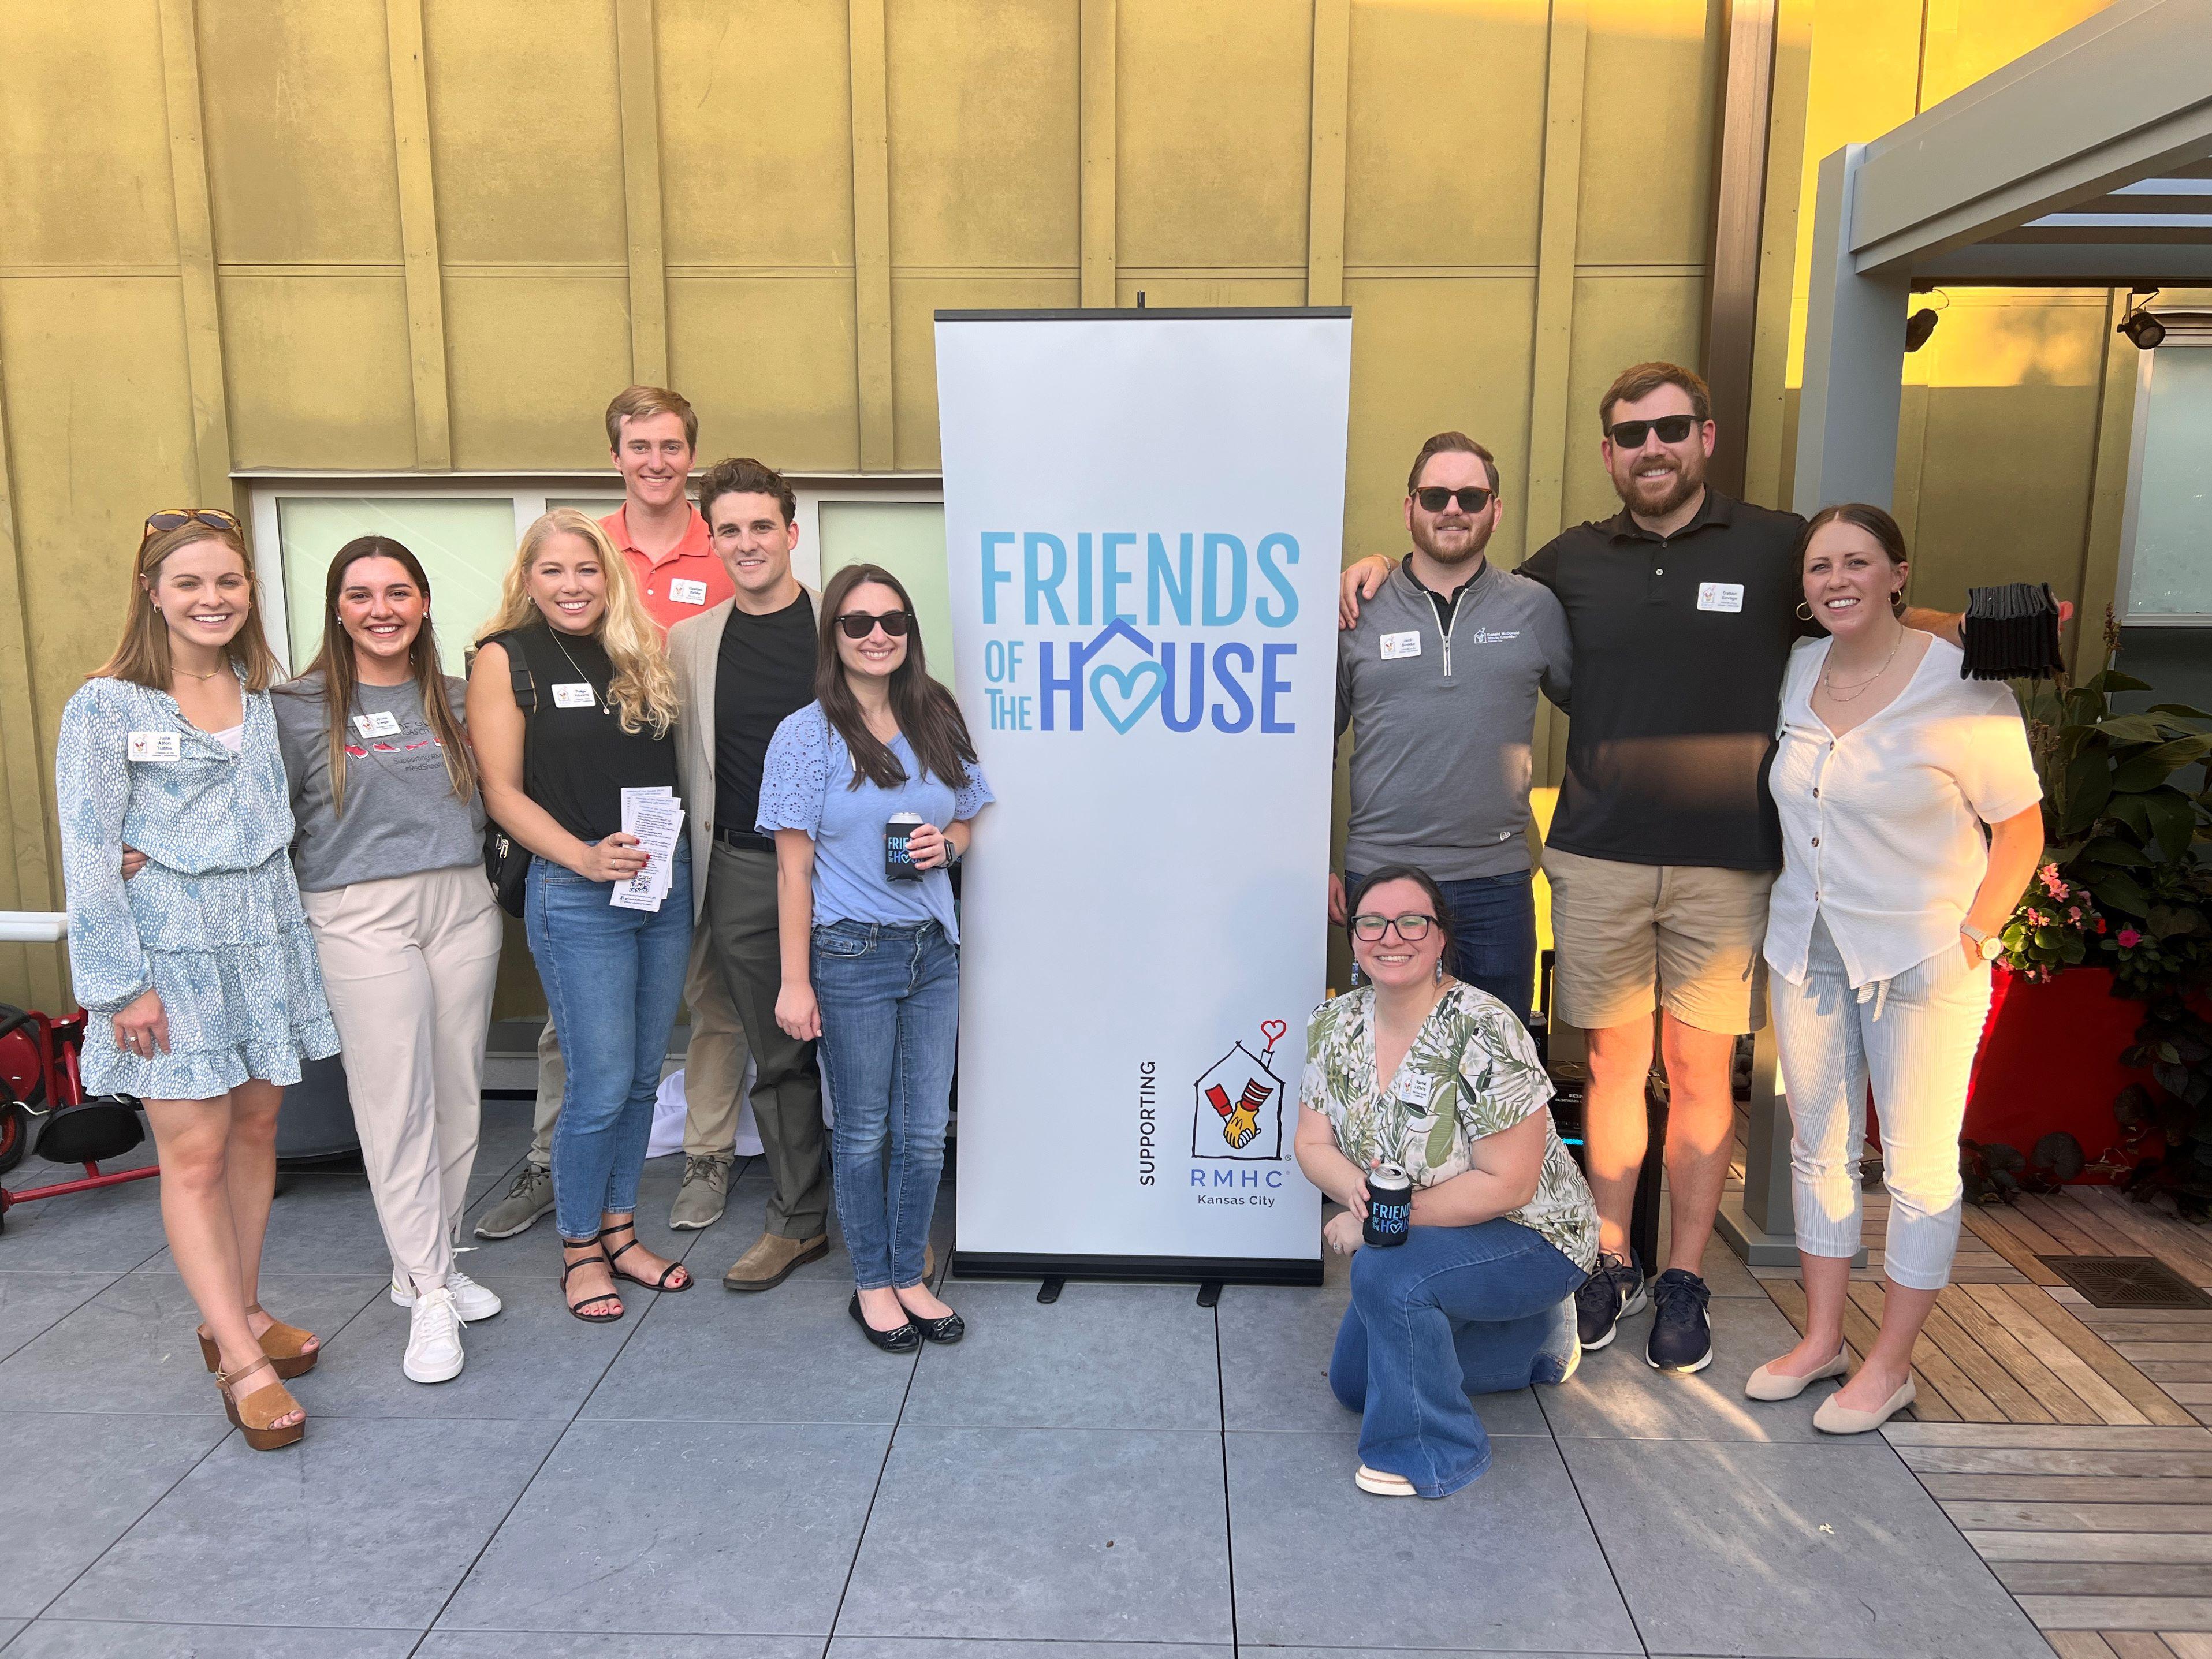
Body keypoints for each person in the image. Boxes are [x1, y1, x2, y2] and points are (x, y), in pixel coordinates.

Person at [1340, 361, 1960, 1375]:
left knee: (1703, 1070)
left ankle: (1684, 1274)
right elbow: (1445, 574)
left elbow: (1859, 603)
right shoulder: (1567, 566)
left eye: (1672, 428)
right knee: (1613, 1068)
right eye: (1632, 434)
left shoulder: (1774, 544)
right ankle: (1608, 1256)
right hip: (1602, 850)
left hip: (1725, 859)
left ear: (1706, 436)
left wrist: (1965, 632)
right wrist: (1366, 565)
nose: (1653, 447)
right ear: (1608, 453)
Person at [1747, 504, 2042, 1433]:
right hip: (1807, 949)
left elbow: (2021, 828)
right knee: (1817, 1149)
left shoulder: (1961, 683)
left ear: (1898, 574)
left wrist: (1974, 936)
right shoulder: (1797, 672)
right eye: (1820, 566)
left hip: (1921, 959)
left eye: (1857, 563)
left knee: (1915, 1168)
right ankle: (1823, 1338)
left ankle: (1893, 1363)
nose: (1836, 579)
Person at [57, 508, 340, 1449]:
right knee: (195, 1154)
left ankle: (242, 1311)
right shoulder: (107, 706)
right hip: (167, 961)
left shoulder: (260, 701)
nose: (212, 599)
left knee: (259, 1128)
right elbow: (92, 853)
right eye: (190, 583)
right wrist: (117, 983)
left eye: (228, 581)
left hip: (259, 941)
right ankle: (242, 1362)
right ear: (153, 593)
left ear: (249, 593)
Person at [475, 384, 749, 1241]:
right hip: (591, 861)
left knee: (690, 1026)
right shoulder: (562, 584)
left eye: (672, 446)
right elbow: (505, 778)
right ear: (616, 455)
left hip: (684, 847)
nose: (657, 461)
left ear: (690, 455)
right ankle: (561, 1182)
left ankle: (682, 1174)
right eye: (641, 446)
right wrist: (582, 854)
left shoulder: (718, 562)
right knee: (586, 1046)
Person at [273, 537, 506, 1382]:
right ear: (337, 607)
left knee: (456, 1097)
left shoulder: (454, 696)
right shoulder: (292, 706)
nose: (382, 609)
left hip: (460, 903)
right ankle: (430, 1293)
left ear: (423, 603)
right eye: (362, 594)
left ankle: (428, 1264)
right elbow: (251, 809)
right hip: (357, 913)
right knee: (394, 1104)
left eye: (398, 592)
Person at [1298, 867, 1597, 1498]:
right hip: (1435, 1234)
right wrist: (1357, 1190)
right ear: (1352, 938)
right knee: (1354, 1384)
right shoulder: (1332, 1022)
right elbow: (1311, 1143)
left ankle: (1434, 1450)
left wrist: (1380, 1221)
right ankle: (1534, 1339)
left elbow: (1510, 1185)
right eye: (1371, 922)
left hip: (1531, 1235)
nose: (1391, 936)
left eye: (1413, 921)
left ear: (1439, 938)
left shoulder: (1484, 1027)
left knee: (1385, 1275)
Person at [467, 509, 694, 1319]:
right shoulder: (507, 657)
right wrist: (582, 856)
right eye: (554, 571)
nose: (572, 586)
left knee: (639, 1078)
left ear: (611, 575)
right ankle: (577, 1249)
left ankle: (621, 1229)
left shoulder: (642, 650)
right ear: (527, 579)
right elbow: (500, 792)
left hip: (659, 887)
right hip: (577, 889)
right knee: (597, 1083)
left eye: (587, 570)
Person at [759, 564, 993, 1351]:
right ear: (833, 636)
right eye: (856, 623)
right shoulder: (804, 733)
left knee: (925, 1129)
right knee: (862, 1131)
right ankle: (873, 1282)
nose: (876, 635)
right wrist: (795, 981)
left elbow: (968, 814)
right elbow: (792, 868)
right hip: (849, 949)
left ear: (909, 631)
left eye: (891, 620)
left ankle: (908, 1275)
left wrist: (946, 843)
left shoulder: (935, 713)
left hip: (932, 949)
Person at [1331, 432, 1572, 1025]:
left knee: (1495, 1068)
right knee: (1385, 1066)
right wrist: (1313, 861)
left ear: (1495, 509)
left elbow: (1596, 712)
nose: (1452, 509)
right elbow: (1307, 748)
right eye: (1435, 495)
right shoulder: (1355, 608)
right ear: (1408, 507)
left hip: (1495, 882)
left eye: (1470, 495)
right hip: (1383, 879)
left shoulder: (1534, 608)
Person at [667, 458, 837, 1291]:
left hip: (845, 870)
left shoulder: (845, 624)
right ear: (711, 540)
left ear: (791, 532)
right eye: (728, 529)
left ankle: (886, 1224)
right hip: (739, 866)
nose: (746, 542)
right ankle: (798, 1220)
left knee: (870, 1052)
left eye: (761, 525)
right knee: (778, 1055)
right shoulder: (690, 642)